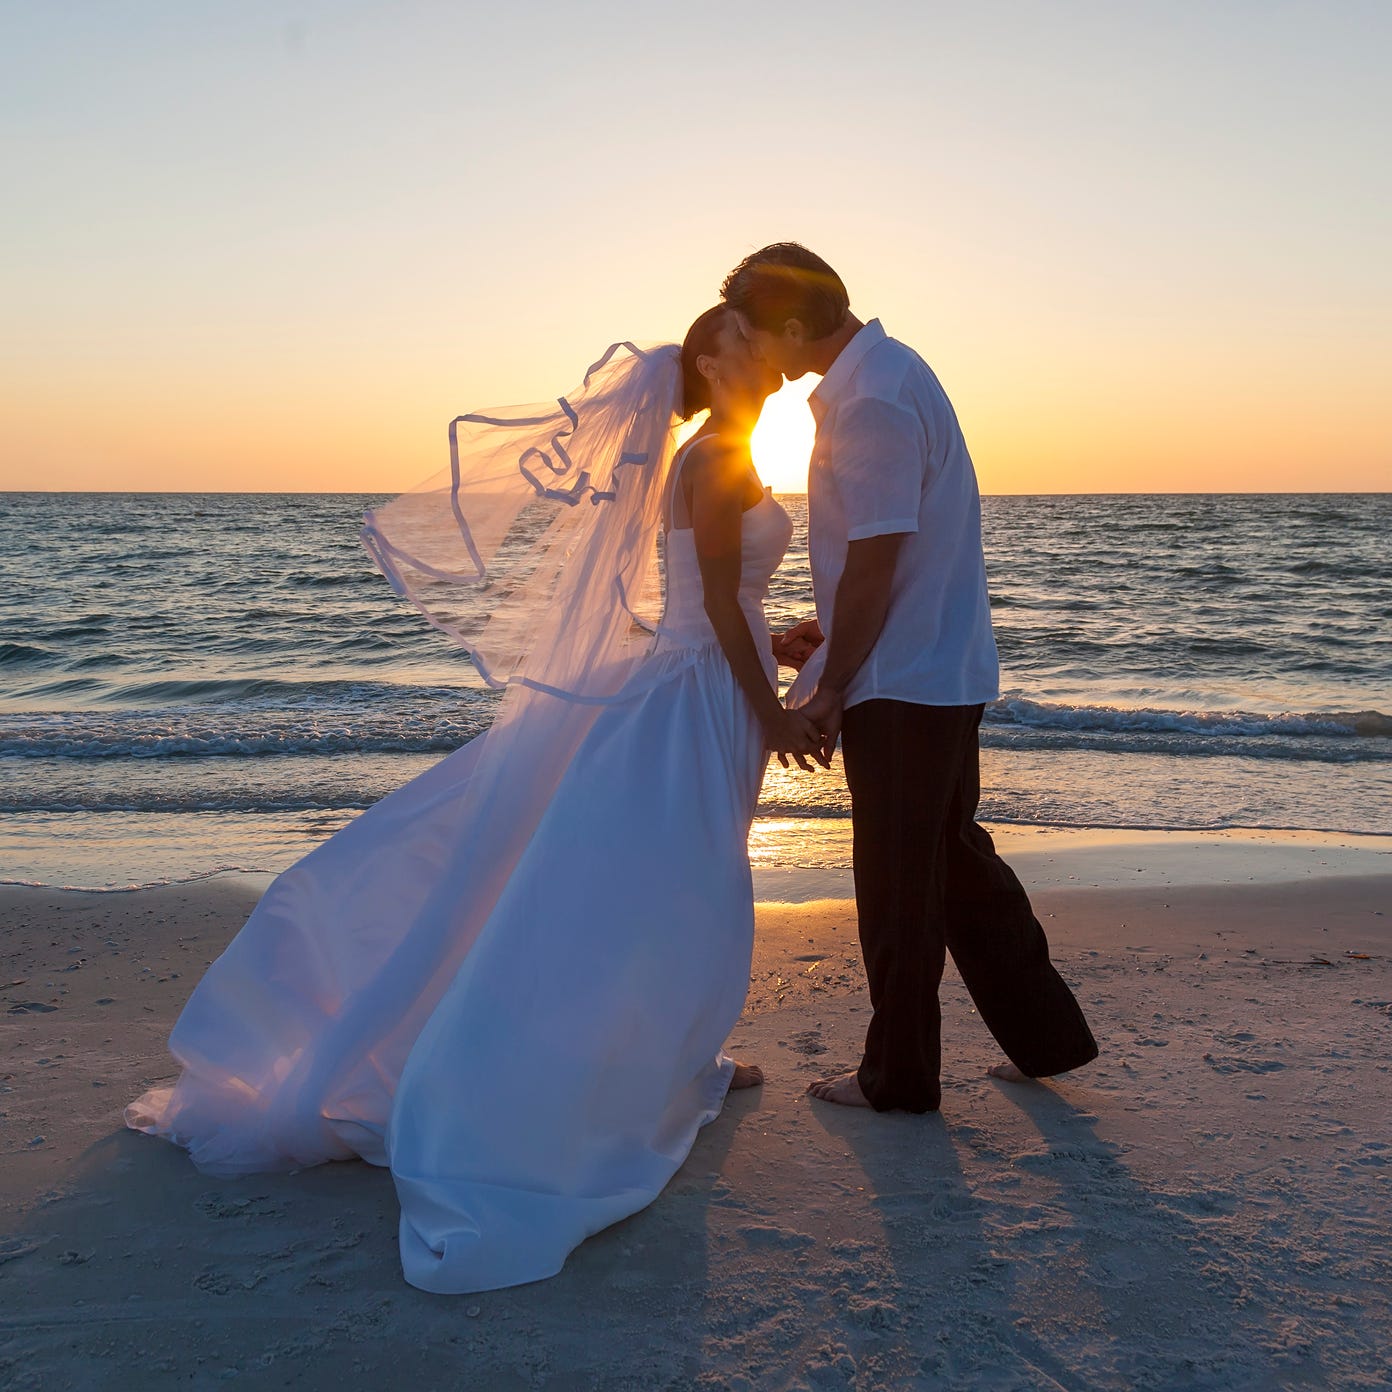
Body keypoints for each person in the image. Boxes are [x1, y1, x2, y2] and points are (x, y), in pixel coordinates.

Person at [125, 305, 821, 1293]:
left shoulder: (731, 450)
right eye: (750, 336)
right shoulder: (713, 459)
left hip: (713, 684)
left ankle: (679, 1059)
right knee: (685, 886)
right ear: (711, 358)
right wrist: (778, 710)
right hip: (701, 698)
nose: (771, 350)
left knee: (682, 885)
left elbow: (729, 599)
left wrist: (776, 639)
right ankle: (597, 1076)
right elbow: (707, 603)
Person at [722, 243, 1099, 1112]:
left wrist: (829, 685)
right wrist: (829, 632)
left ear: (788, 325)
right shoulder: (887, 373)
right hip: (934, 661)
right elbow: (893, 551)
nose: (754, 352)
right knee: (953, 861)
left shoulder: (872, 400)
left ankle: (897, 1078)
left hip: (906, 679)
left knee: (897, 882)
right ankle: (1048, 1038)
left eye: (753, 333)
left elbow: (878, 557)